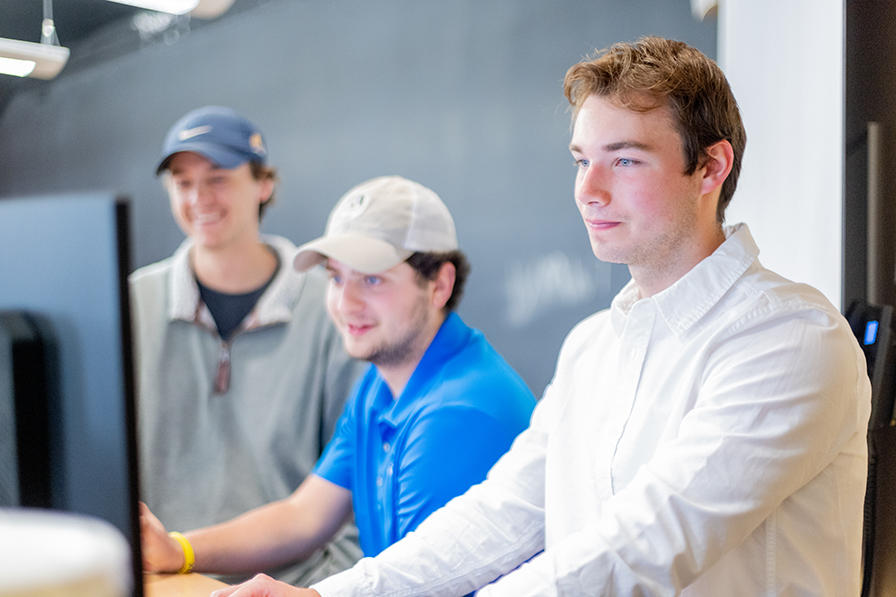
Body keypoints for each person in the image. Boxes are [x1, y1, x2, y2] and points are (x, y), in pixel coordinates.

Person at [213, 37, 872, 597]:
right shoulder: (594, 347)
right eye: (582, 160)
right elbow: (503, 515)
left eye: (625, 159)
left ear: (710, 167)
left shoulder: (789, 338)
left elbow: (644, 544)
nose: (589, 190)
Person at [140, 175, 537, 583]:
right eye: (335, 278)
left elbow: (417, 591)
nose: (346, 304)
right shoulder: (381, 385)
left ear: (440, 284)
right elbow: (305, 516)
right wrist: (180, 550)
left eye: (372, 279)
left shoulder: (457, 414)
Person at [130, 106, 365, 585]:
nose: (198, 198)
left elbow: (359, 477)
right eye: (182, 181)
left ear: (264, 184)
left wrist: (320, 590)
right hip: (164, 578)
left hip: (289, 585)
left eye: (217, 178)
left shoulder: (335, 308)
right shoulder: (130, 302)